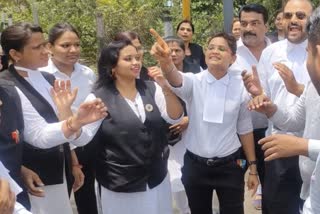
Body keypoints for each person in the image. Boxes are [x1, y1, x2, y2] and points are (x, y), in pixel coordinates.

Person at [0, 22, 107, 214]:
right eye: (37, 47)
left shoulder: (47, 79)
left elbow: (58, 126)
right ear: (15, 54)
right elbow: (36, 134)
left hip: (59, 166)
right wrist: (75, 122)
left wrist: (73, 161)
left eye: (44, 44)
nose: (45, 51)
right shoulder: (7, 87)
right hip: (35, 175)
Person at [150, 29, 259, 214]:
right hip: (195, 167)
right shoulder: (194, 81)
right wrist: (166, 62)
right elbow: (175, 79)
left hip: (230, 166)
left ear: (232, 58)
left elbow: (245, 128)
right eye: (211, 47)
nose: (214, 51)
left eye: (221, 49)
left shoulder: (240, 86)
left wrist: (253, 168)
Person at [81, 39, 183, 214]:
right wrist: (70, 116)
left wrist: (165, 87)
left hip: (156, 180)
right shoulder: (97, 98)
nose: (136, 62)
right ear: (112, 66)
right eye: (128, 59)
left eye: (137, 57)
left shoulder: (151, 88)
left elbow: (175, 117)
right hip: (121, 185)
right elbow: (83, 137)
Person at [247, 6, 320, 213]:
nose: (293, 20)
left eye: (300, 15)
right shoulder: (271, 53)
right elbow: (293, 119)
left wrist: (303, 146)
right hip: (282, 148)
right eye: (288, 15)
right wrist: (269, 108)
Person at [41, 22, 98, 214]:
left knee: (88, 197)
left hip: (85, 143)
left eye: (77, 45)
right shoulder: (42, 76)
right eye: (65, 45)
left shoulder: (87, 74)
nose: (73, 50)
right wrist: (73, 159)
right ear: (49, 47)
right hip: (56, 147)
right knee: (59, 201)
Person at [231, 3, 270, 210]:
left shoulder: (278, 51)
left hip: (271, 131)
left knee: (272, 187)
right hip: (238, 134)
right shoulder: (230, 53)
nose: (248, 28)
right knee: (234, 187)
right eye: (244, 23)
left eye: (255, 23)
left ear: (267, 25)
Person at [162, 36, 200, 214]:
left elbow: (204, 102)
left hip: (190, 134)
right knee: (169, 183)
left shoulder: (195, 73)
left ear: (184, 52)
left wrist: (189, 119)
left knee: (188, 182)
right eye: (169, 51)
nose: (173, 54)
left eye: (177, 50)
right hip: (166, 137)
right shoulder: (153, 75)